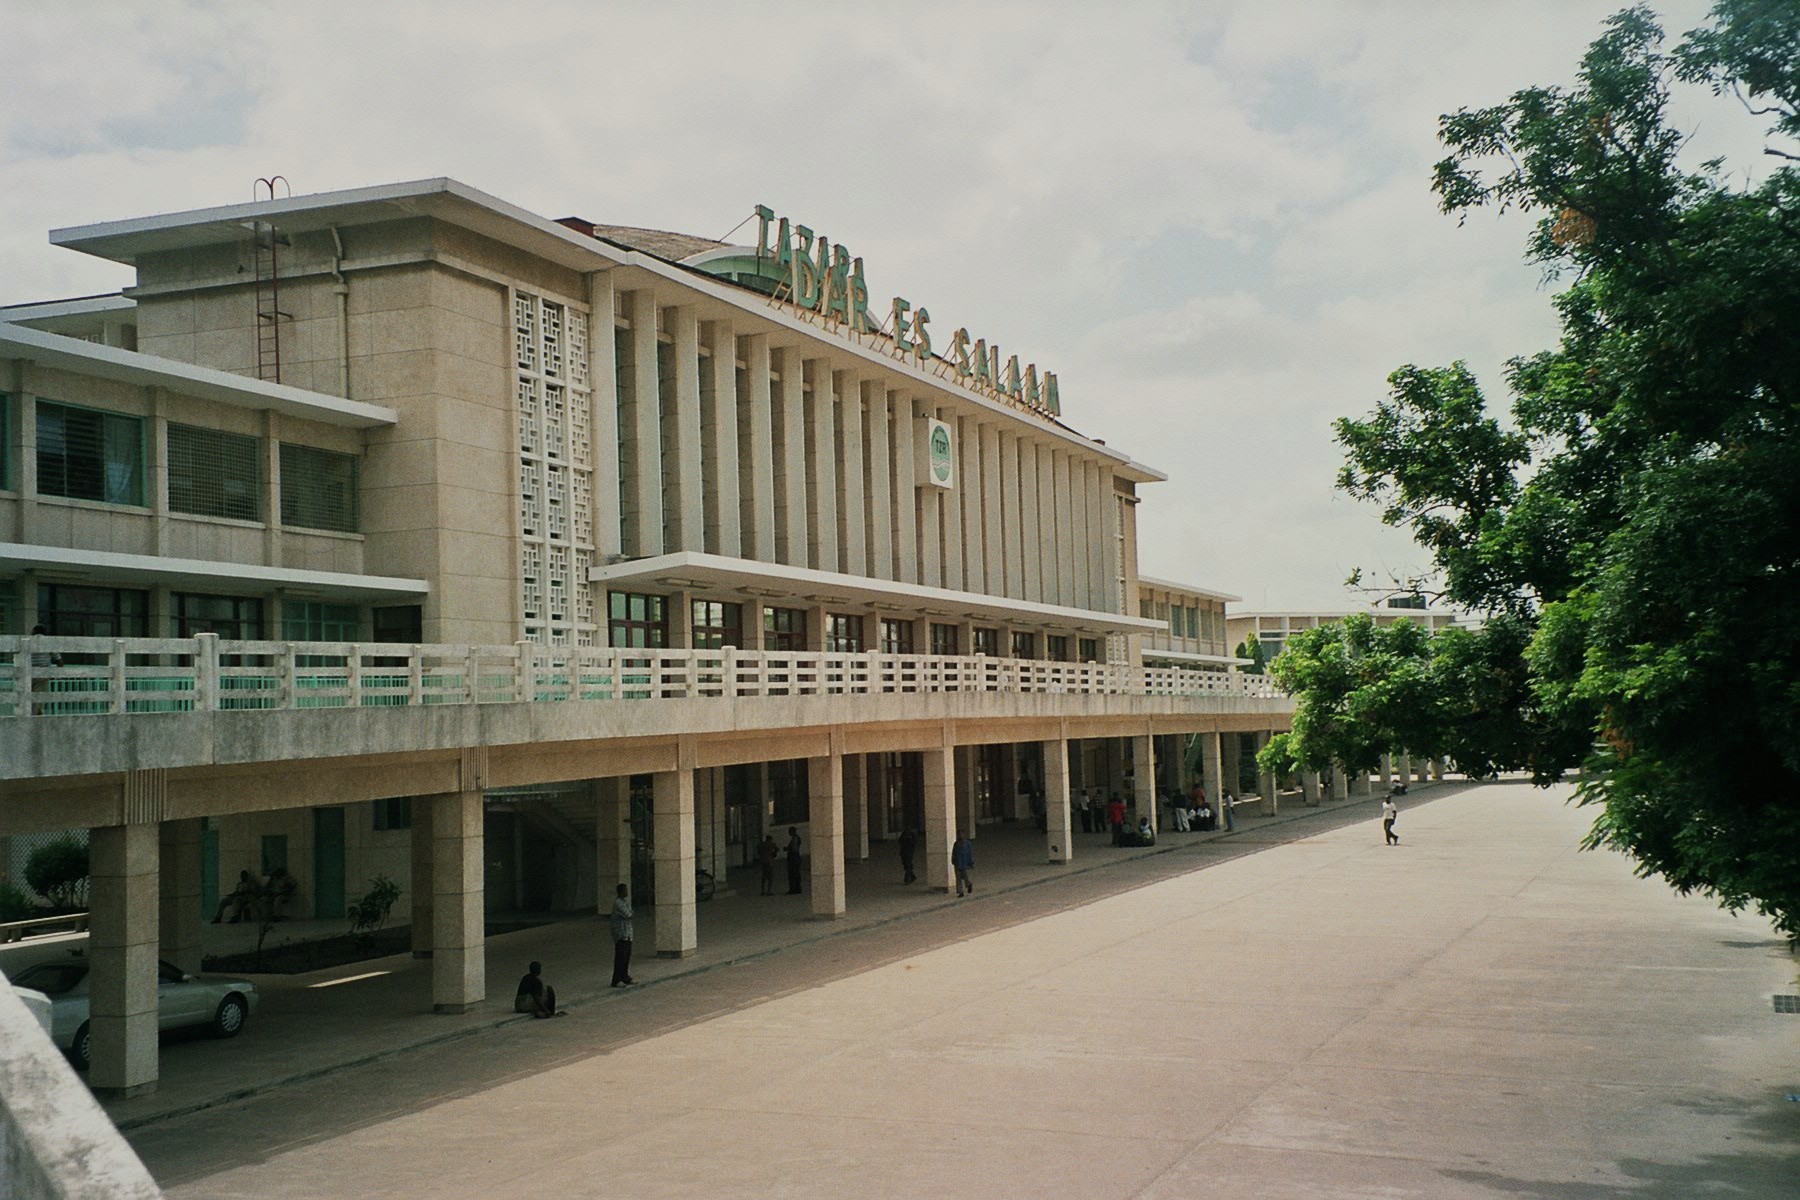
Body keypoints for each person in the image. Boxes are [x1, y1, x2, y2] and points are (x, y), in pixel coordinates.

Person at [609, 883, 635, 986]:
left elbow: (630, 913)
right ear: (620, 892)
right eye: (625, 890)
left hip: (628, 933)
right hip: (621, 934)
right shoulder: (618, 903)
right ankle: (616, 979)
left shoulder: (625, 902)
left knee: (626, 956)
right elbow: (628, 914)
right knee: (620, 957)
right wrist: (630, 913)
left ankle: (625, 976)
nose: (627, 892)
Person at [784, 826, 804, 895]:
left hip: (793, 858)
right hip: (796, 858)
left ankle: (793, 889)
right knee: (796, 874)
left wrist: (788, 849)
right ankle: (797, 888)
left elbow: (794, 849)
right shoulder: (796, 838)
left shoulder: (795, 839)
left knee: (793, 874)